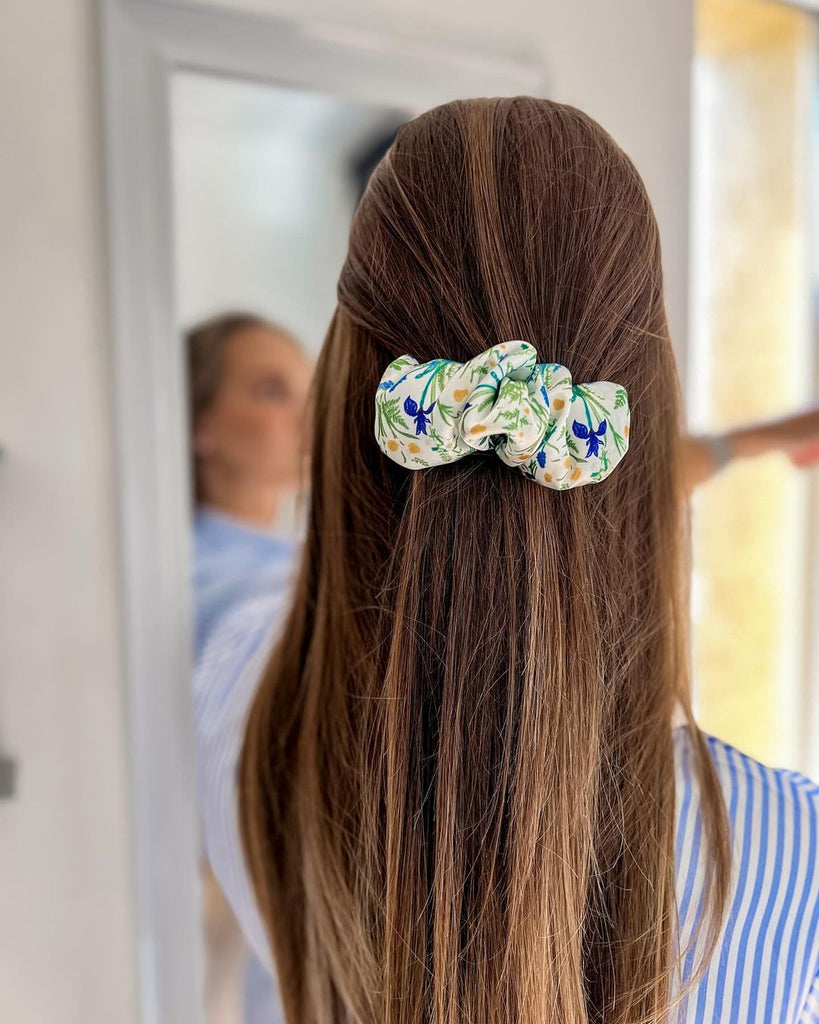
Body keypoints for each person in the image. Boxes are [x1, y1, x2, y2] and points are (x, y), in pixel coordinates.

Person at [196, 98, 819, 1024]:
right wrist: (739, 447)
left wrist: (740, 444)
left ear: (347, 401)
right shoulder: (787, 856)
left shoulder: (244, 694)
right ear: (630, 420)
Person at [187, 311, 312, 1024]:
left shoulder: (287, 562)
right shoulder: (211, 581)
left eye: (308, 391)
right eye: (271, 391)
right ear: (200, 427)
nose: (305, 415)